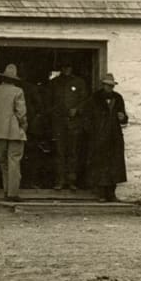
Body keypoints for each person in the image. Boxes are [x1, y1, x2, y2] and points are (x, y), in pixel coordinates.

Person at [0, 64, 28, 201]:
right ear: (14, 79)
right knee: (14, 161)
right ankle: (13, 193)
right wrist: (24, 125)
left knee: (3, 163)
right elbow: (21, 113)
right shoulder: (18, 91)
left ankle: (6, 191)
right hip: (14, 132)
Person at [85, 72, 129, 201]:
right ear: (103, 85)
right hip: (99, 136)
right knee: (100, 164)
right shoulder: (95, 98)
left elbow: (124, 117)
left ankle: (112, 193)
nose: (110, 88)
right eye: (107, 85)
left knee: (114, 165)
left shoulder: (118, 98)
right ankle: (101, 194)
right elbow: (88, 118)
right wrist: (92, 133)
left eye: (112, 86)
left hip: (114, 136)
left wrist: (123, 118)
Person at [47, 61, 88, 191]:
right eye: (64, 66)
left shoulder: (79, 82)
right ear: (61, 68)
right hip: (59, 124)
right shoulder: (54, 83)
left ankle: (71, 182)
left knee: (73, 152)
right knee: (59, 152)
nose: (66, 69)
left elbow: (86, 101)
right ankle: (59, 181)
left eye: (69, 66)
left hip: (74, 123)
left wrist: (77, 109)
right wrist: (55, 113)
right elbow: (48, 102)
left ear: (72, 68)